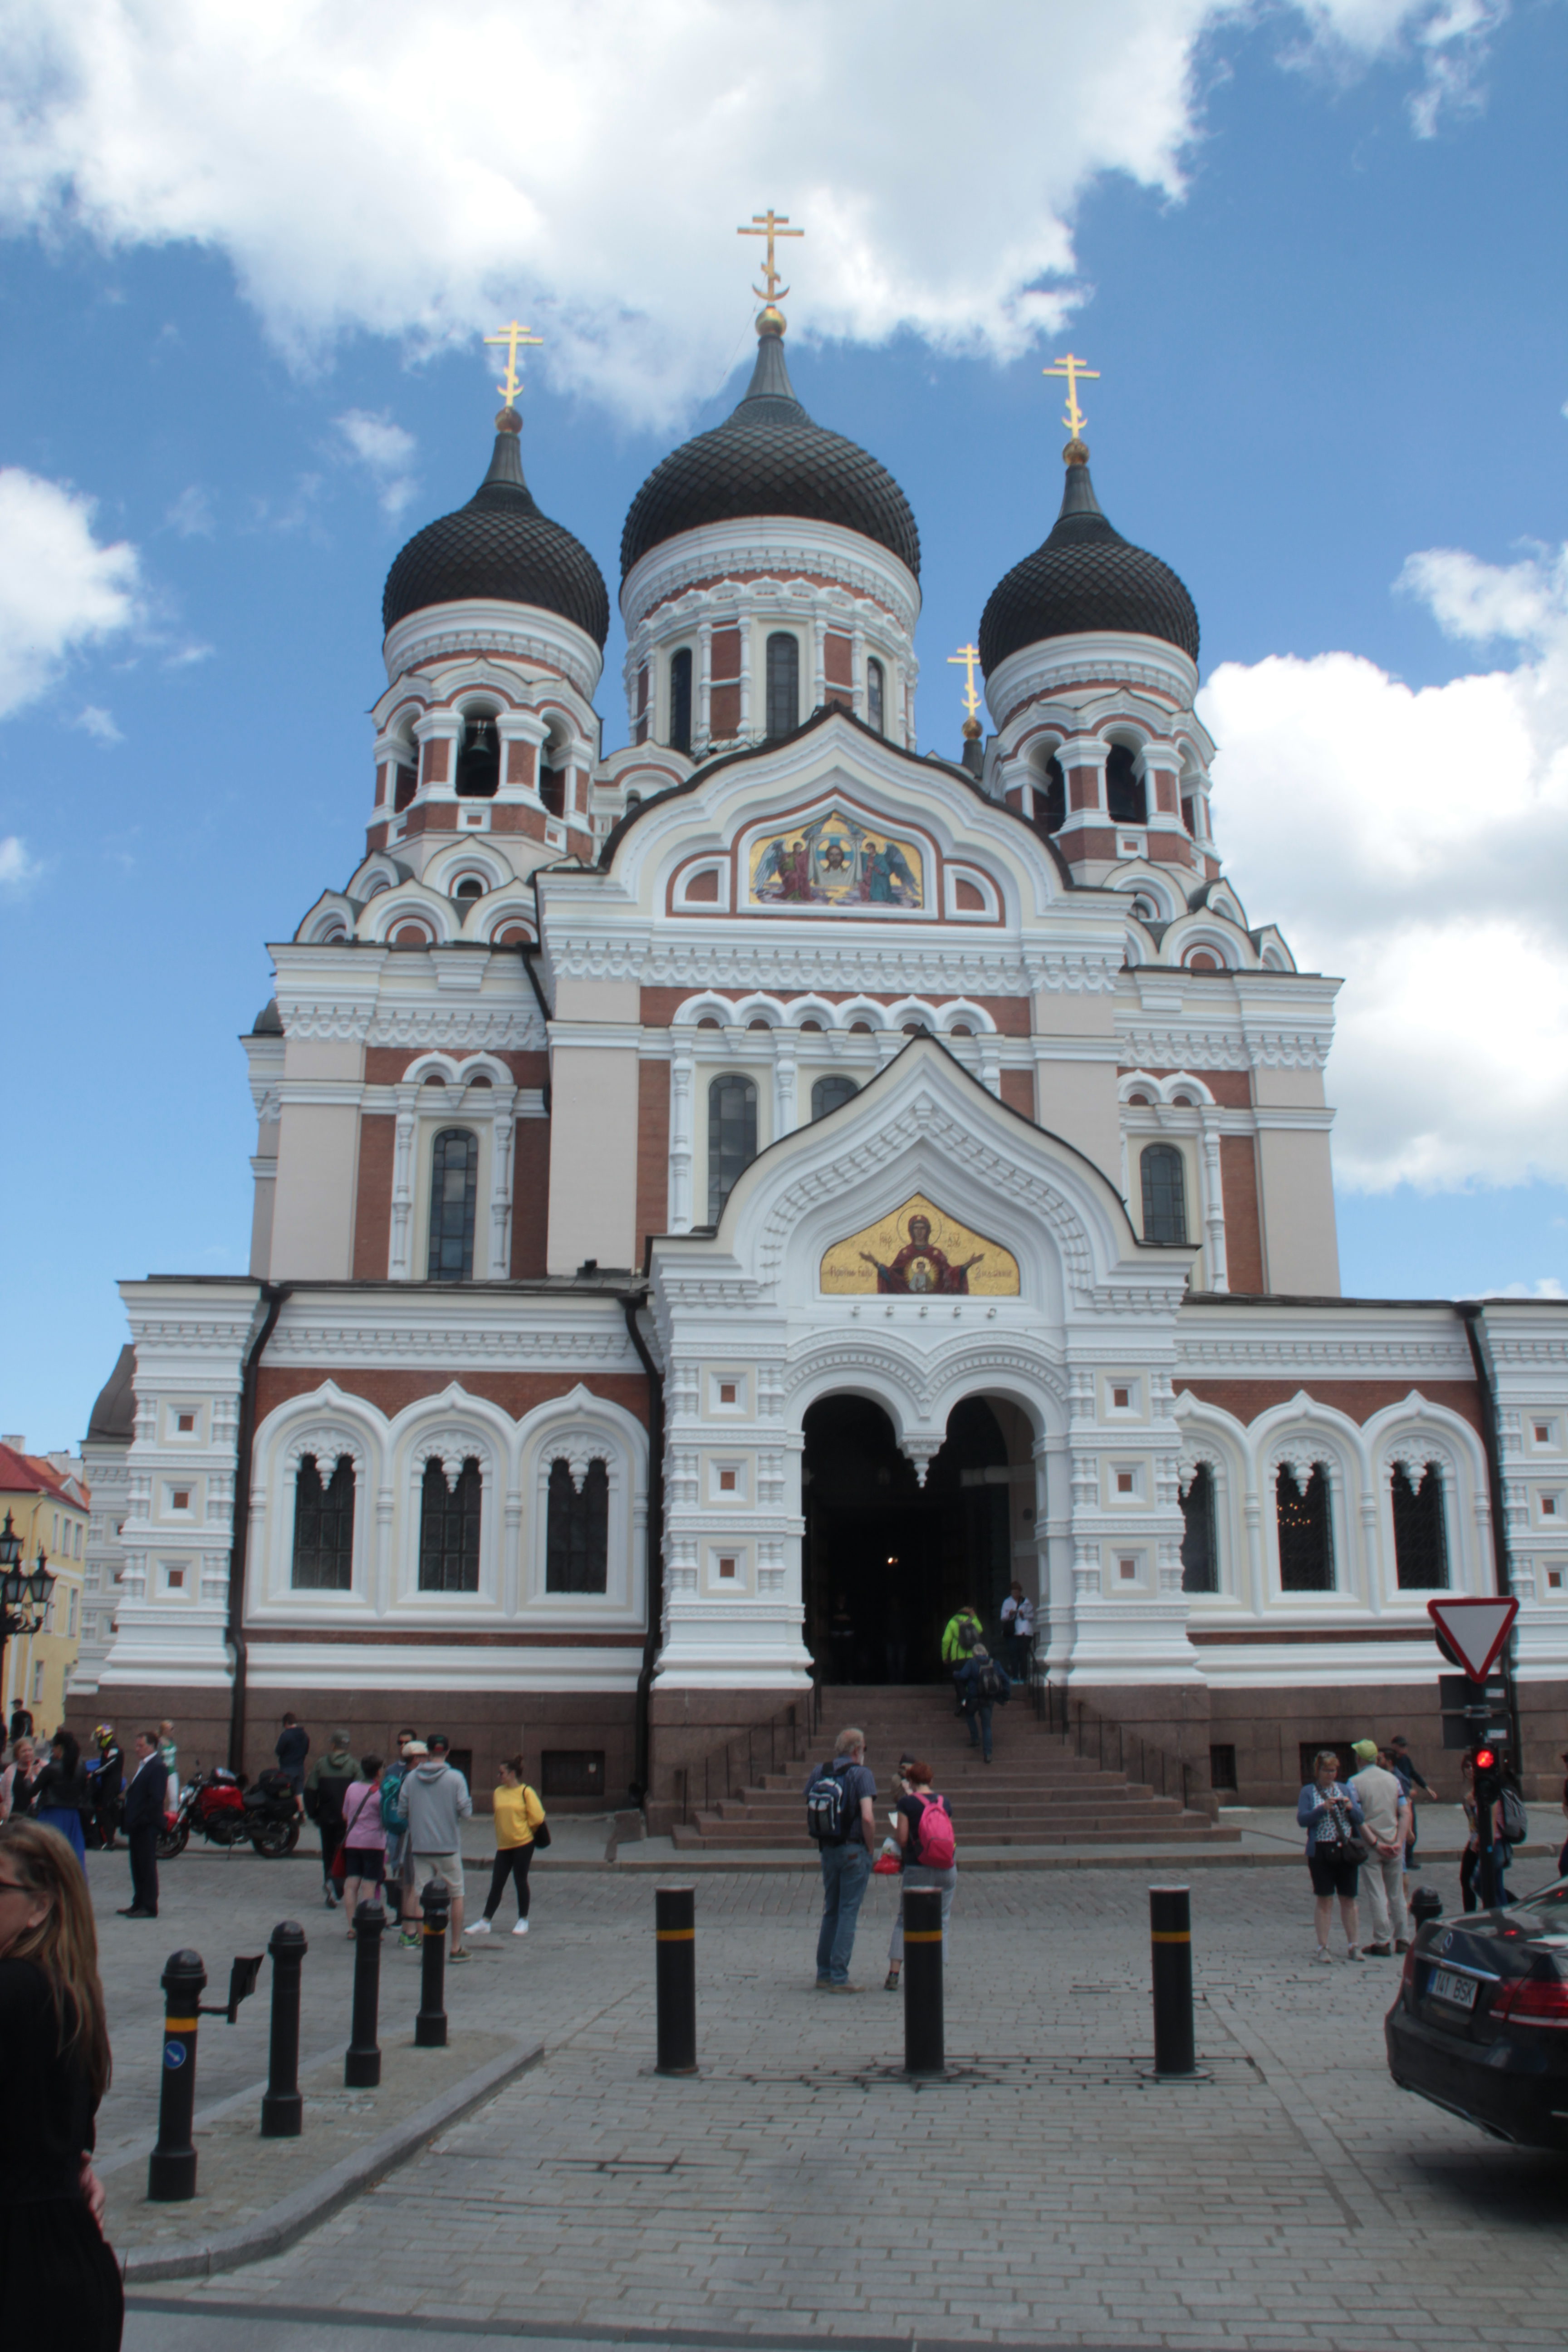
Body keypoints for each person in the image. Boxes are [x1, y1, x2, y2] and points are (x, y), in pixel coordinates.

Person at [0, 1818, 123, 2345]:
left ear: (41, 1907)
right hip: (67, 2267)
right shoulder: (65, 1993)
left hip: (22, 2286)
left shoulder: (14, 1991)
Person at [805, 1726, 876, 1990]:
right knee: (849, 1911)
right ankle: (839, 1976)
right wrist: (870, 1848)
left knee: (831, 1910)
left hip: (828, 1849)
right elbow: (867, 1817)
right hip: (853, 1848)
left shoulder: (820, 1771)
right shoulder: (862, 1774)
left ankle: (823, 1973)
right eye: (864, 1749)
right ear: (857, 1750)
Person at [883, 1759, 957, 1992]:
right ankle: (935, 1974)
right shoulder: (945, 1802)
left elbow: (903, 1839)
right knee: (942, 1919)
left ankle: (894, 1975)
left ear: (911, 1782)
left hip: (918, 1867)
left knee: (905, 1920)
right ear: (932, 1780)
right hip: (946, 1868)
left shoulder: (907, 1803)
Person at [402, 1734, 474, 1963]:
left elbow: (401, 1811)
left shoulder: (412, 1778)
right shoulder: (456, 1778)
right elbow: (466, 1811)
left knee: (421, 1893)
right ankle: (455, 1947)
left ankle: (428, 1949)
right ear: (448, 1752)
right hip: (448, 1847)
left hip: (421, 1846)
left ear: (427, 1752)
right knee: (457, 1894)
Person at [1297, 1748, 1364, 1961]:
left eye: (1334, 1771)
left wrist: (1350, 1807)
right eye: (1327, 1771)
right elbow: (1302, 1819)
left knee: (1349, 1898)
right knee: (1325, 1898)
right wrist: (1322, 1809)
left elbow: (1360, 1818)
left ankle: (1354, 1944)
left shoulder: (1344, 1789)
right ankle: (1323, 1946)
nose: (1331, 1775)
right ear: (1318, 1770)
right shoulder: (1308, 1792)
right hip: (1321, 1849)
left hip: (1344, 1849)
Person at [469, 1757, 545, 1937]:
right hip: (504, 1845)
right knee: (497, 1883)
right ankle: (485, 1921)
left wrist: (524, 1830)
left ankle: (523, 1920)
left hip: (523, 1843)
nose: (498, 1776)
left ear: (512, 1774)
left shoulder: (526, 1792)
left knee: (520, 1881)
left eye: (501, 1773)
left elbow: (537, 1817)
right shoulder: (498, 1792)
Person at [1348, 1740, 1411, 1956]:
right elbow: (1405, 1812)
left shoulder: (1354, 1782)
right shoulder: (1393, 1780)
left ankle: (1382, 1942)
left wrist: (1374, 1843)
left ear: (1359, 1759)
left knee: (1377, 1894)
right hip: (1394, 1844)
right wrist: (1399, 1842)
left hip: (1372, 1845)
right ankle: (1403, 1938)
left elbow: (1357, 1819)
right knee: (1397, 1894)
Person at [118, 1730, 168, 1920]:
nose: (137, 1749)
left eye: (141, 1746)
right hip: (137, 1824)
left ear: (152, 1747)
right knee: (137, 1865)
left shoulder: (157, 1767)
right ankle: (138, 1902)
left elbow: (156, 1798)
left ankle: (149, 1906)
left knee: (147, 1865)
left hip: (146, 1824)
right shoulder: (144, 1765)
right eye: (137, 1745)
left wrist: (142, 1818)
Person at [304, 1729, 356, 1908]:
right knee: (343, 1852)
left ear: (333, 1744)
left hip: (326, 1817)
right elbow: (360, 1792)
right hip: (347, 1818)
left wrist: (314, 1814)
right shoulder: (354, 1766)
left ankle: (329, 1879)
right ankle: (339, 1886)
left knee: (328, 1852)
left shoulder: (320, 1764)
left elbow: (310, 1790)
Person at [380, 1729, 420, 1949]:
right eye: (400, 1743)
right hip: (398, 1827)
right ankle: (402, 1917)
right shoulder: (394, 1770)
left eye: (407, 1743)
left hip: (411, 1829)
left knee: (410, 1878)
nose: (403, 1746)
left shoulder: (418, 1771)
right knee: (400, 1872)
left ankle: (408, 1921)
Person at [337, 1755, 386, 1930]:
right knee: (369, 1885)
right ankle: (368, 1925)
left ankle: (351, 1927)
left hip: (353, 1842)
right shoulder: (380, 1793)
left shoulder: (351, 1788)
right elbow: (386, 1819)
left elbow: (345, 1815)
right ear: (378, 1772)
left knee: (351, 1884)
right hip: (374, 1844)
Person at [32, 1731, 90, 1864]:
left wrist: (34, 1776)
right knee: (73, 1856)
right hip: (73, 1816)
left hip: (52, 1814)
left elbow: (32, 1791)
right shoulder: (82, 1768)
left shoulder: (51, 1768)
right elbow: (85, 1791)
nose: (52, 1750)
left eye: (53, 1747)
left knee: (48, 1855)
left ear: (60, 1748)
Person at [956, 1642, 1009, 1763]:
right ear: (985, 1652)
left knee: (969, 1715)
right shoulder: (994, 1663)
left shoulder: (971, 1663)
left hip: (974, 1697)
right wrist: (1005, 1697)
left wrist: (956, 1674)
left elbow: (963, 1676)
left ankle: (975, 1738)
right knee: (987, 1726)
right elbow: (1005, 1679)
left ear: (974, 1653)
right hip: (989, 1698)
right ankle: (988, 1753)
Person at [1387, 1734, 1432, 1876]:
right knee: (1403, 1829)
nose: (1404, 1749)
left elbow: (1413, 1774)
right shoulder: (1393, 1762)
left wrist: (1426, 1787)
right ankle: (1403, 1859)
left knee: (1412, 1829)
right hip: (1400, 1800)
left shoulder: (1406, 1760)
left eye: (1405, 1746)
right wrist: (1407, 1792)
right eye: (1401, 1746)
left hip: (1407, 1799)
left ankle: (1409, 1858)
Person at [85, 1727, 123, 1852]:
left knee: (105, 1811)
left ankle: (110, 1841)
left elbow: (109, 1765)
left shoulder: (114, 1749)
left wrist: (94, 1773)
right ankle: (108, 1839)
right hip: (109, 1783)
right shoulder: (109, 1748)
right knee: (104, 1810)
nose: (98, 1741)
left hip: (112, 1784)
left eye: (99, 1738)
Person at [941, 1606, 984, 1714]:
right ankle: (973, 1702)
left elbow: (946, 1640)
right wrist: (975, 1617)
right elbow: (980, 1630)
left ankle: (963, 1703)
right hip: (972, 1657)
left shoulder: (953, 1622)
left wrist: (945, 1656)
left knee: (959, 1681)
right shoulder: (972, 1620)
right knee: (971, 1680)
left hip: (957, 1658)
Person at [1000, 1583, 1034, 1681]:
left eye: (1017, 1592)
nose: (1015, 1594)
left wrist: (1023, 1615)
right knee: (1013, 1655)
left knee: (1023, 1655)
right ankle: (1015, 1676)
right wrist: (1010, 1614)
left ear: (1020, 1592)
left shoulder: (1026, 1602)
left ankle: (1024, 1676)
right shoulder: (1007, 1602)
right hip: (1012, 1633)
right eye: (1013, 1592)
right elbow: (1003, 1617)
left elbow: (1032, 1617)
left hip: (1024, 1632)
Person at [0, 1735, 39, 1821]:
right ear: (17, 1754)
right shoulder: (10, 1770)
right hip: (15, 1813)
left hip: (34, 1814)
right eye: (24, 1751)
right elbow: (3, 1792)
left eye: (30, 1750)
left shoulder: (41, 1767)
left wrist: (38, 1774)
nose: (28, 1753)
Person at [274, 1712, 310, 1794]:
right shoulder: (305, 1736)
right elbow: (306, 1751)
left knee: (286, 1793)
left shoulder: (286, 1735)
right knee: (300, 1793)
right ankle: (301, 1807)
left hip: (287, 1769)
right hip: (300, 1768)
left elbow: (278, 1751)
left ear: (286, 1723)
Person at [155, 1721, 179, 1819]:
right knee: (161, 1798)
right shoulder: (159, 1743)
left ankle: (173, 1818)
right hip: (162, 1773)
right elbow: (157, 1758)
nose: (173, 1731)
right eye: (171, 1729)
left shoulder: (172, 1741)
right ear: (165, 1730)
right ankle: (160, 1818)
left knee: (174, 1797)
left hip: (172, 1773)